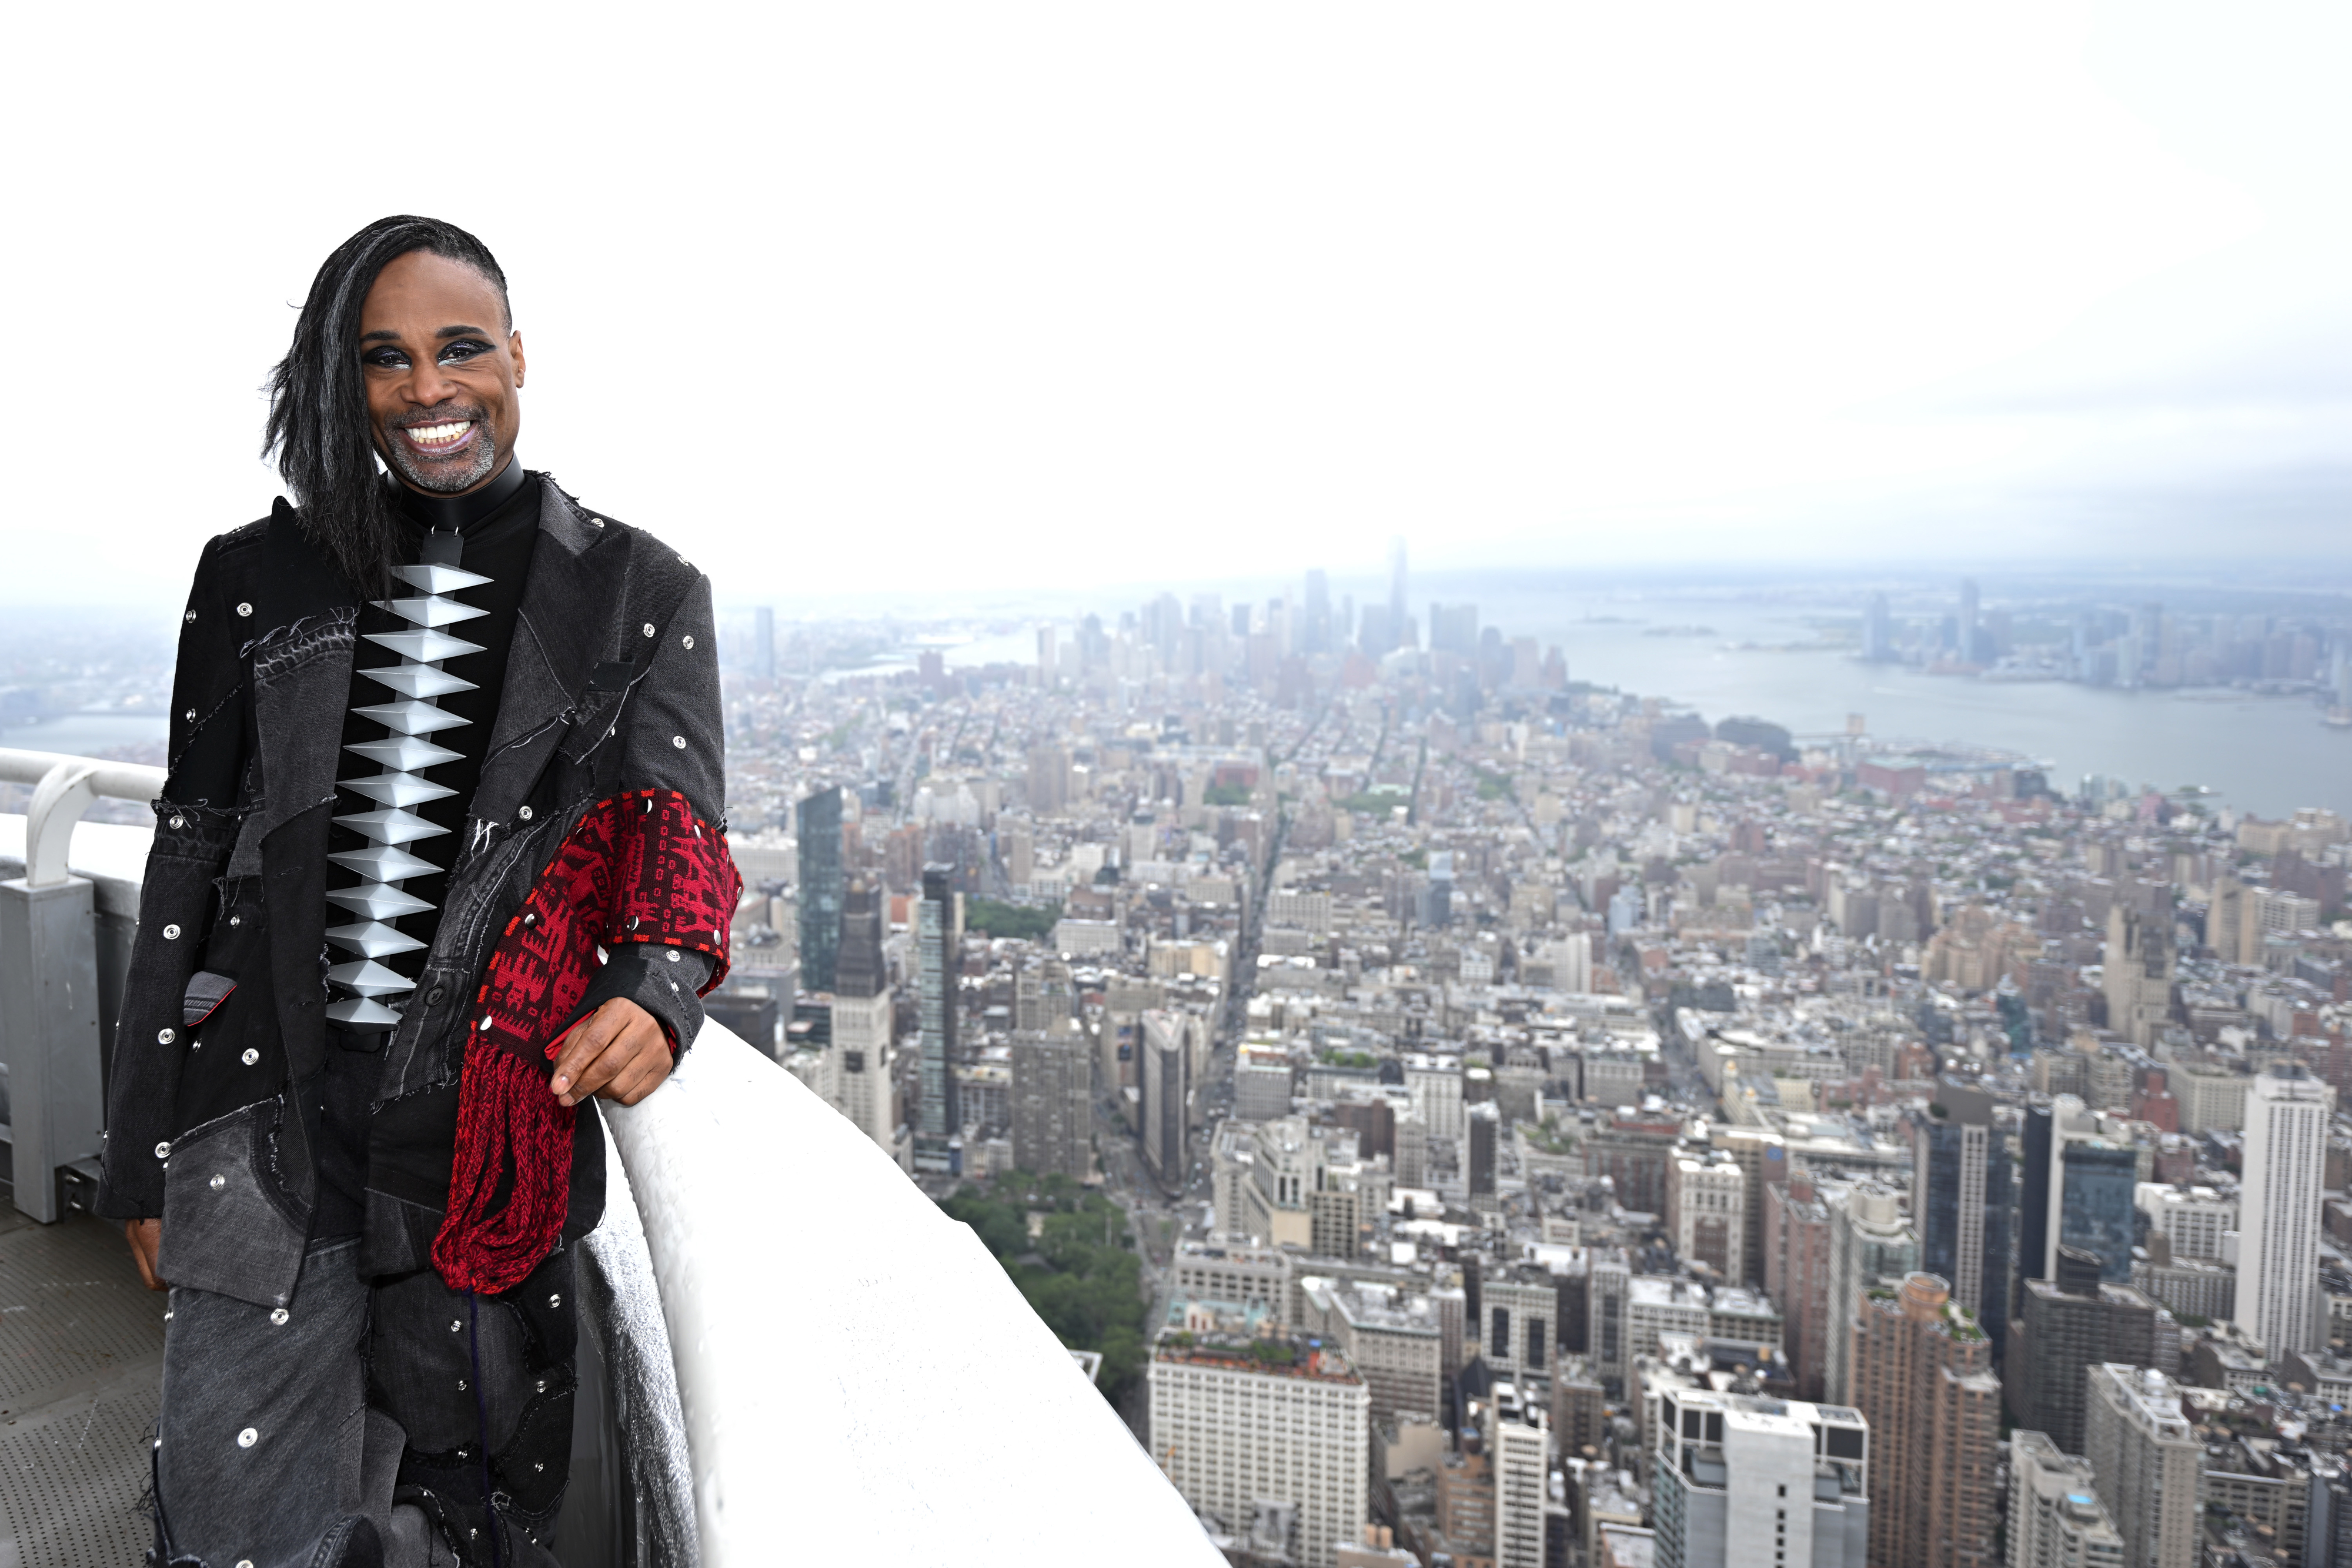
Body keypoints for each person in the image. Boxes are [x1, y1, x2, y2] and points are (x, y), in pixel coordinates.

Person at [96, 216, 739, 1568]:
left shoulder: (635, 589)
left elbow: (676, 851)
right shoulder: (252, 578)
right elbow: (189, 859)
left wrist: (660, 991)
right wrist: (140, 1149)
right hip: (263, 1124)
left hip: (478, 1135)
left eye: (458, 349)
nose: (428, 389)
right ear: (349, 385)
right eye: (386, 360)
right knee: (226, 1518)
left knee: (467, 1511)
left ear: (518, 355)